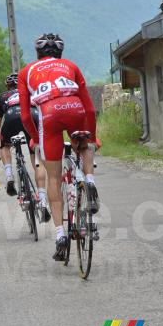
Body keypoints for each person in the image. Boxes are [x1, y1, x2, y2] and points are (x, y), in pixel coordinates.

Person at [18, 34, 98, 261]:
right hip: (76, 108)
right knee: (83, 146)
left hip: (49, 114)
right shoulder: (71, 66)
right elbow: (90, 110)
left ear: (37, 53)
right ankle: (89, 180)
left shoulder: (26, 71)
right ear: (60, 53)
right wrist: (93, 137)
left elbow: (26, 116)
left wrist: (35, 138)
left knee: (54, 178)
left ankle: (60, 235)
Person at [0, 73, 50, 222]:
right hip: (32, 116)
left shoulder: (3, 97)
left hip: (10, 117)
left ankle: (10, 175)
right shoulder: (30, 92)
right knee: (36, 156)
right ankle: (42, 199)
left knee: (5, 146)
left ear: (7, 86)